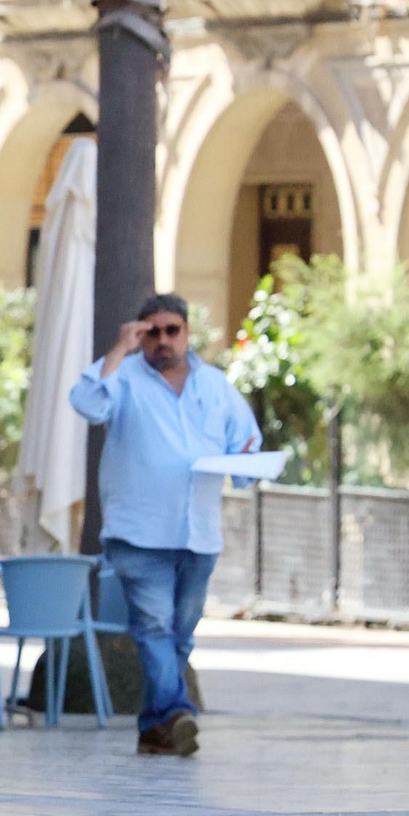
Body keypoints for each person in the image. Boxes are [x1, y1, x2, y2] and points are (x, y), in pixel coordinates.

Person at [69, 292, 258, 757]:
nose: (162, 340)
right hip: (139, 532)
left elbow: (246, 443)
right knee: (154, 626)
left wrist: (250, 461)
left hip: (199, 532)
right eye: (151, 331)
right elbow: (87, 403)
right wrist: (118, 350)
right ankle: (176, 710)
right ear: (139, 334)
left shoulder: (215, 386)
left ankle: (157, 727)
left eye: (171, 330)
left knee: (182, 631)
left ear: (187, 333)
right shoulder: (123, 378)